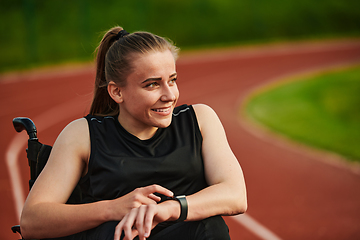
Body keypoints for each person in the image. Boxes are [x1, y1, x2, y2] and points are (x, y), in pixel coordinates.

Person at [20, 26, 247, 240]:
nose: (169, 95)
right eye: (152, 84)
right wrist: (112, 208)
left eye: (172, 80)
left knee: (210, 226)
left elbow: (235, 195)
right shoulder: (84, 134)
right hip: (118, 234)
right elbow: (32, 221)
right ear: (117, 92)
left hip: (180, 231)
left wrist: (168, 209)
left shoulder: (199, 119)